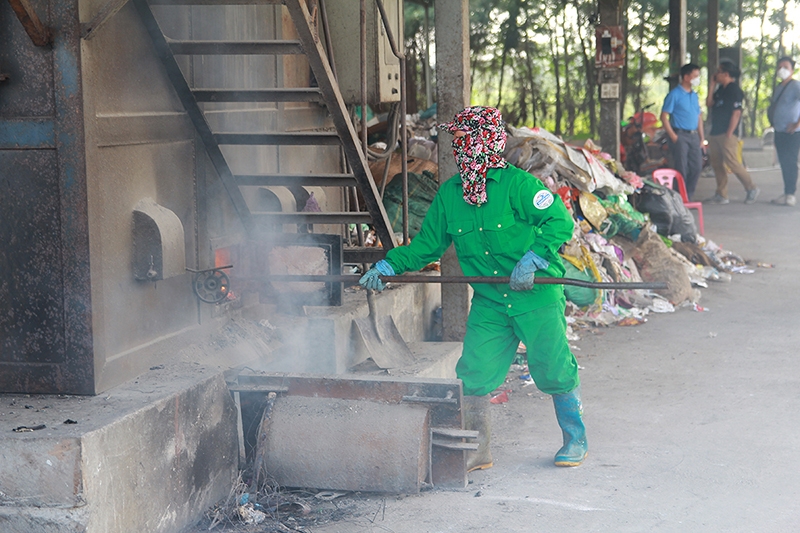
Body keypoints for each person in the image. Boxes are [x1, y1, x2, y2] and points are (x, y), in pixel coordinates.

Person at [359, 106, 587, 469]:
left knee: (554, 368)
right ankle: (477, 451)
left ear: (485, 142)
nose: (456, 147)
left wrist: (534, 257)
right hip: (491, 302)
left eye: (463, 139)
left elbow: (558, 220)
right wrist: (389, 265)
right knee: (473, 374)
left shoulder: (518, 185)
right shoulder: (450, 194)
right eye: (455, 141)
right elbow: (426, 247)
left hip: (536, 295)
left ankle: (575, 439)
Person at [704, 60, 760, 205]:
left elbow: (736, 113)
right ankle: (721, 194)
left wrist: (730, 132)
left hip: (727, 133)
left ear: (726, 74)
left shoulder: (734, 90)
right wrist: (712, 85)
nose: (716, 74)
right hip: (715, 131)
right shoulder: (720, 90)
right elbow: (709, 103)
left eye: (719, 71)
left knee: (733, 163)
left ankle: (751, 188)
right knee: (716, 164)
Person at [660, 63, 705, 200]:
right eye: (695, 76)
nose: (697, 79)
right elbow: (664, 116)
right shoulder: (675, 95)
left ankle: (688, 196)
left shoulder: (694, 96)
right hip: (680, 134)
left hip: (694, 135)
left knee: (697, 166)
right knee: (681, 168)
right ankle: (680, 198)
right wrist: (673, 136)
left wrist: (702, 138)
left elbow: (699, 117)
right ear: (686, 77)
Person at [768, 56, 800, 206]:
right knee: (784, 161)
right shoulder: (779, 87)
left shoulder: (795, 86)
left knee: (790, 161)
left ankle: (790, 193)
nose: (782, 70)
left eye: (786, 67)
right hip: (779, 130)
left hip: (792, 133)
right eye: (780, 67)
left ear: (792, 70)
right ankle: (786, 191)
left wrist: (796, 124)